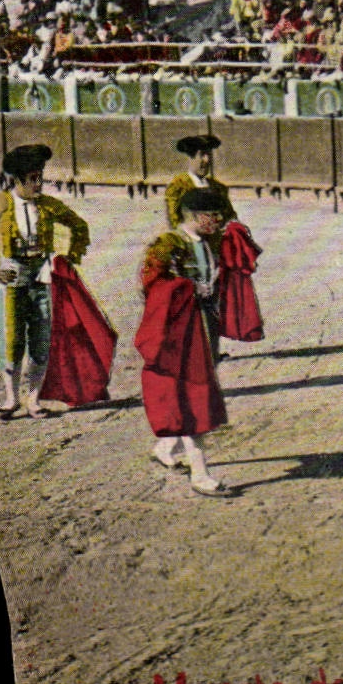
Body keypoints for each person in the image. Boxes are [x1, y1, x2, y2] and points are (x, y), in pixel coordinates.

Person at [136, 188, 237, 497]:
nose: (218, 221)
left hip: (206, 323)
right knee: (194, 393)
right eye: (213, 215)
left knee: (197, 388)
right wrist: (185, 291)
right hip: (181, 330)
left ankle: (165, 448)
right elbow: (149, 284)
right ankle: (199, 473)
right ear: (193, 216)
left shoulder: (210, 243)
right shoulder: (169, 245)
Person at [0, 145, 93, 420]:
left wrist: (71, 256)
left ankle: (32, 398)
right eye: (33, 178)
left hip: (40, 273)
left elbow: (79, 225)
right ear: (18, 180)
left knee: (40, 338)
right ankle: (12, 398)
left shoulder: (48, 205)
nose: (39, 184)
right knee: (11, 338)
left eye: (40, 177)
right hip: (11, 273)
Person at [165, 135, 237, 228]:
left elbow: (231, 217)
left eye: (209, 155)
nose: (207, 160)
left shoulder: (218, 187)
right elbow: (175, 222)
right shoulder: (178, 187)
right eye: (202, 154)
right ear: (191, 158)